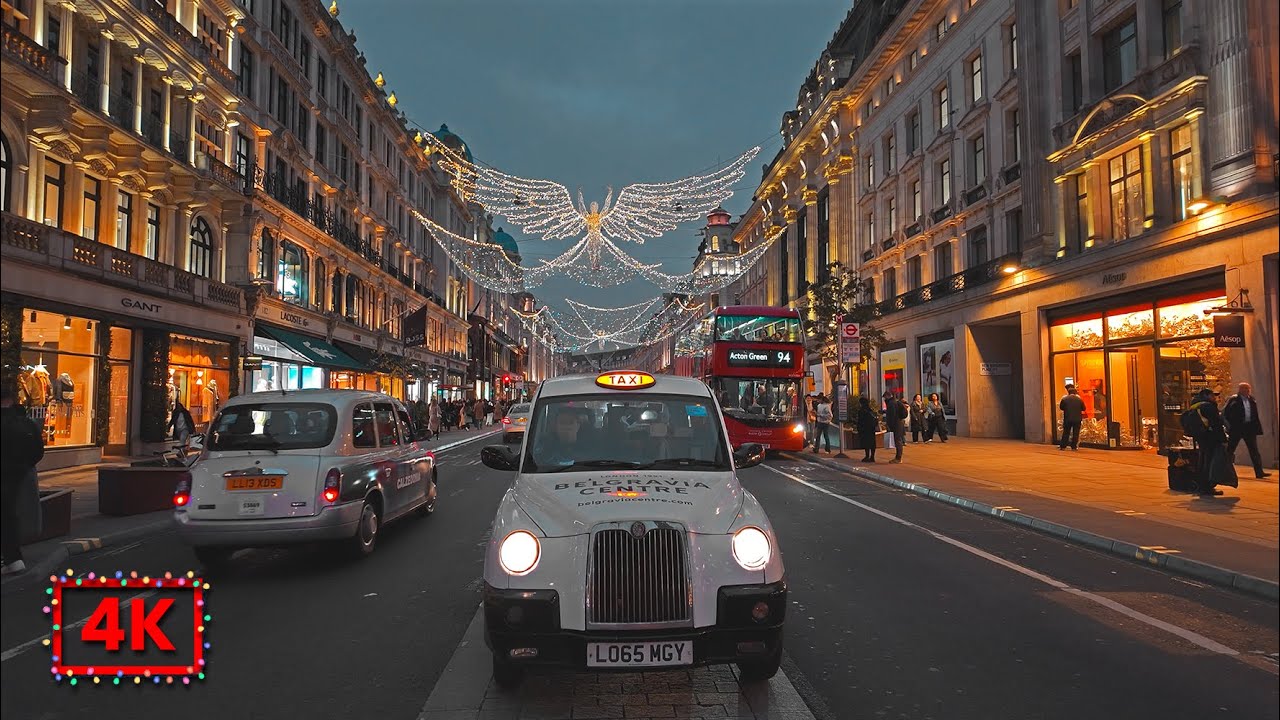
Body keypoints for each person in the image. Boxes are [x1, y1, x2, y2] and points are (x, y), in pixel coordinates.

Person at [2, 382, 45, 576]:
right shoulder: (26, 422)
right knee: (10, 514)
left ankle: (10, 558)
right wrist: (24, 466)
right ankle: (14, 558)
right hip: (18, 474)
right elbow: (38, 451)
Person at [1186, 388, 1227, 497]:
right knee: (1210, 462)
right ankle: (1207, 486)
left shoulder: (1195, 405)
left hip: (1201, 437)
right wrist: (1223, 439)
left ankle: (1202, 485)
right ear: (1207, 396)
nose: (1214, 398)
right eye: (1213, 395)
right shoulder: (1208, 406)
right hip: (1211, 438)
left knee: (1203, 460)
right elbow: (1216, 424)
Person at [1059, 384, 1085, 451]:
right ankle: (1074, 446)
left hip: (1068, 418)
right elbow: (1084, 408)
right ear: (1075, 393)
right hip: (1077, 419)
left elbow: (1061, 407)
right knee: (1075, 433)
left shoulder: (1064, 399)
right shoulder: (1079, 399)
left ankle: (1063, 446)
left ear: (1068, 392)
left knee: (1066, 432)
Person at [882, 391, 906, 463]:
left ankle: (898, 458)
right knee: (898, 440)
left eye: (885, 397)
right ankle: (898, 457)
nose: (884, 399)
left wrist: (889, 426)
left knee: (898, 441)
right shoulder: (895, 402)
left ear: (887, 396)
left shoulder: (891, 403)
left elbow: (891, 416)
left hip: (896, 424)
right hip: (899, 422)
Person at [856, 397, 879, 463]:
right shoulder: (870, 410)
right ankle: (872, 457)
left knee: (866, 443)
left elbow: (860, 421)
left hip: (864, 429)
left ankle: (867, 456)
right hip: (871, 429)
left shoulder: (861, 411)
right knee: (872, 443)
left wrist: (859, 428)